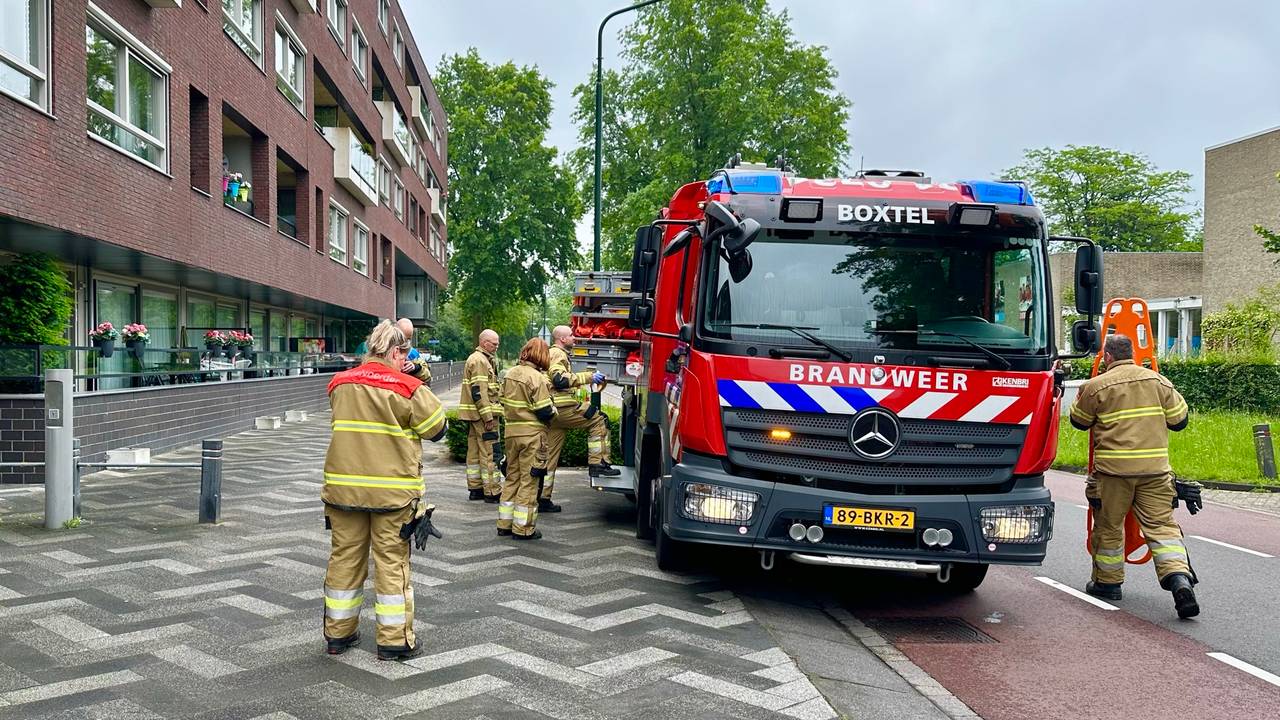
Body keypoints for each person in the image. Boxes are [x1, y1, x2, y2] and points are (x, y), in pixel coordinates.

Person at [321, 320, 447, 660]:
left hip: (343, 492)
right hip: (392, 496)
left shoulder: (339, 382)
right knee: (392, 564)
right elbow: (438, 429)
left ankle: (338, 635)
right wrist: (417, 376)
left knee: (345, 559)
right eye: (403, 354)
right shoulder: (407, 387)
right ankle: (393, 641)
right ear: (395, 352)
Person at [1069, 333, 1198, 618]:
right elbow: (1180, 421)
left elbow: (1079, 422)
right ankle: (1179, 579)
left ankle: (1108, 584)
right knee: (1162, 527)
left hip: (1113, 474)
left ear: (1108, 357)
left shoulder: (1096, 386)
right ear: (1133, 355)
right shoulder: (1159, 382)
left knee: (1109, 527)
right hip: (1155, 472)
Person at [542, 326, 619, 512]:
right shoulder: (558, 354)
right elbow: (559, 380)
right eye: (570, 335)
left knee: (549, 457)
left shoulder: (552, 353)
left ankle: (542, 498)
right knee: (599, 419)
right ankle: (597, 463)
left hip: (553, 413)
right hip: (563, 408)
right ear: (561, 339)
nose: (574, 338)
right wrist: (589, 377)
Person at [497, 338, 556, 540]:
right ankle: (523, 528)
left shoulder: (510, 374)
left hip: (511, 434)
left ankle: (504, 524)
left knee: (511, 477)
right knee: (529, 481)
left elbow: (501, 400)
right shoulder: (537, 378)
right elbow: (544, 411)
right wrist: (554, 410)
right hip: (532, 436)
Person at [458, 329, 502, 501]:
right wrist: (488, 416)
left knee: (475, 452)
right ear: (484, 343)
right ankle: (492, 491)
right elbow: (479, 391)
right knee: (489, 452)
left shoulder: (478, 359)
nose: (497, 346)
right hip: (483, 416)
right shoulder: (480, 361)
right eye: (494, 343)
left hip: (473, 415)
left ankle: (475, 488)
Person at [396, 318, 432, 386]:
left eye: (408, 339)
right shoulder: (387, 350)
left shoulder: (413, 353)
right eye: (403, 338)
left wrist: (415, 368)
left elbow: (427, 375)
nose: (406, 343)